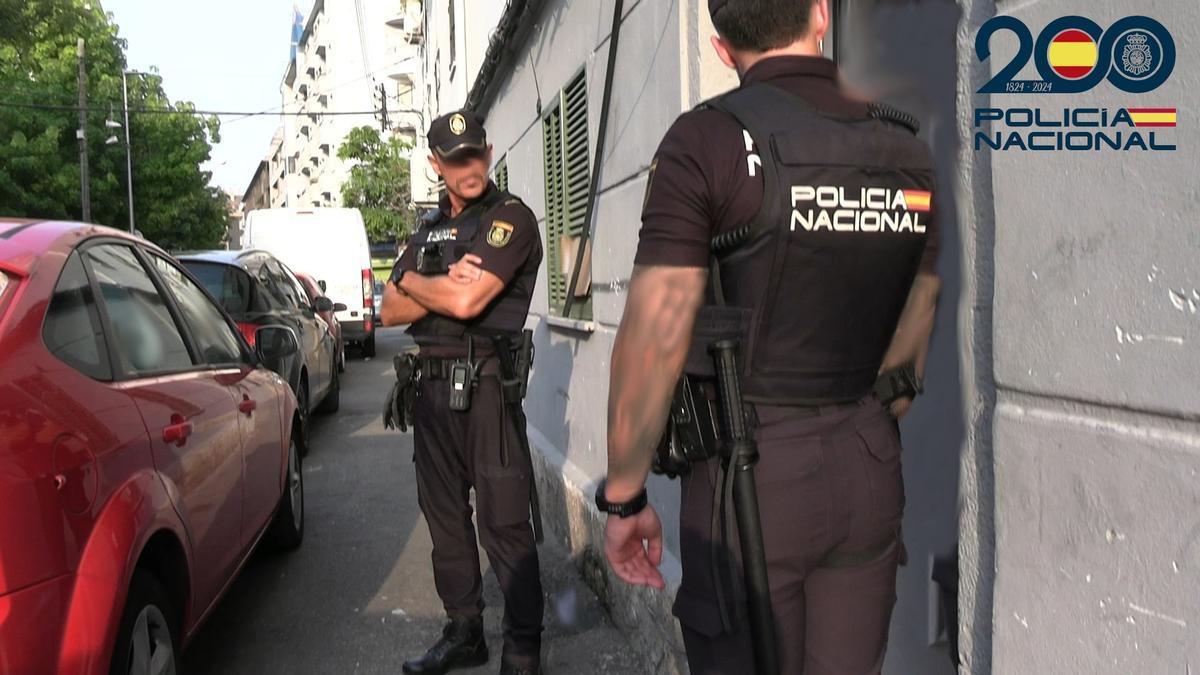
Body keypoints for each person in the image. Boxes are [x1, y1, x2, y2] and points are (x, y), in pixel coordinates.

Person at [598, 1, 943, 673]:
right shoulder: (906, 149)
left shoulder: (708, 140)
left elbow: (654, 333)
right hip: (869, 458)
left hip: (750, 470)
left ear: (722, 48)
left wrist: (626, 495)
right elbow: (912, 336)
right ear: (820, 15)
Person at [380, 110, 545, 675]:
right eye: (454, 160)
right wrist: (437, 285)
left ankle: (522, 650)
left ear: (489, 151)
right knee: (445, 519)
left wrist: (416, 283)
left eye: (475, 154)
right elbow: (386, 309)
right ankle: (464, 631)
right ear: (435, 165)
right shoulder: (426, 228)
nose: (468, 167)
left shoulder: (510, 219)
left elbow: (470, 304)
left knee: (504, 522)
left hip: (487, 390)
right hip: (429, 392)